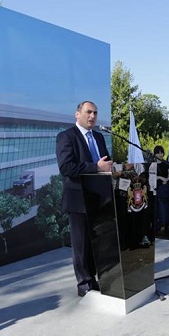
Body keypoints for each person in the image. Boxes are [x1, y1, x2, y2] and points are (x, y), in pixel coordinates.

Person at [56, 100, 113, 297]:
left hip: (100, 198)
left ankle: (97, 276)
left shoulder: (98, 136)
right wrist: (95, 167)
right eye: (89, 112)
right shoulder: (66, 137)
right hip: (78, 199)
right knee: (81, 244)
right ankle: (84, 282)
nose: (93, 116)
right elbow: (66, 168)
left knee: (97, 241)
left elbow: (104, 163)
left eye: (95, 113)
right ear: (77, 114)